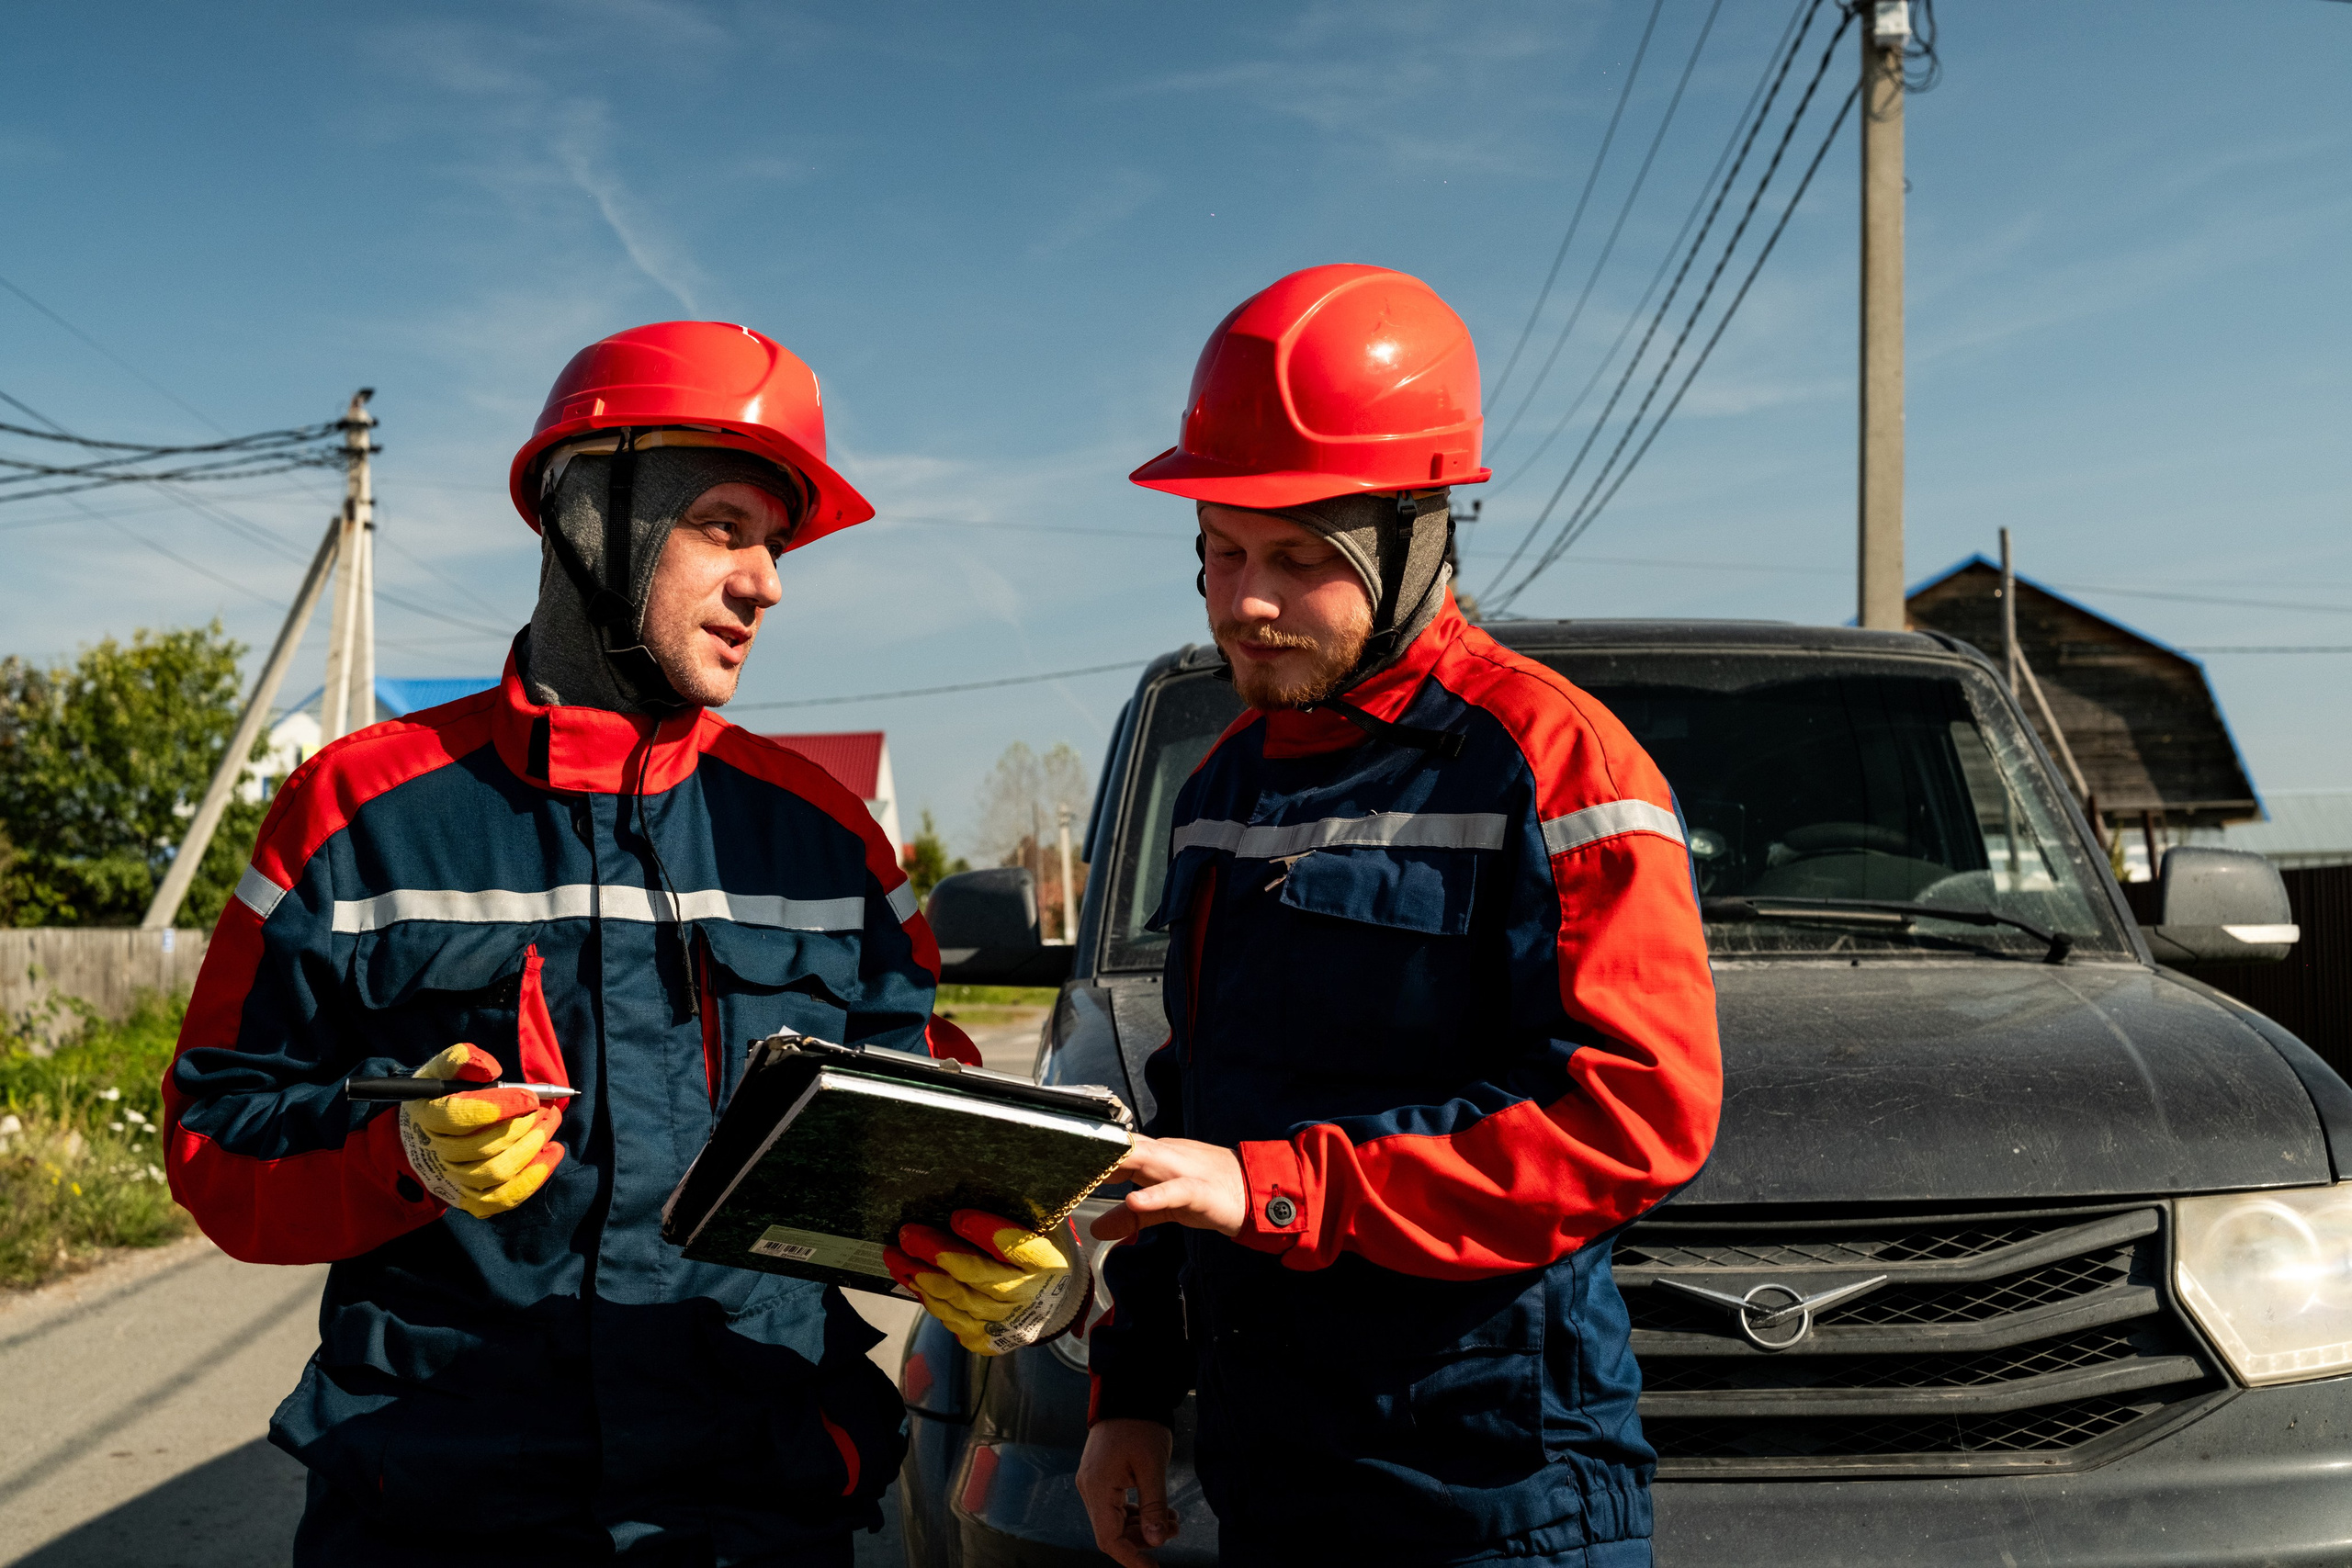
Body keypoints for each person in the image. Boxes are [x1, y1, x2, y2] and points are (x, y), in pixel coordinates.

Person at [163, 321, 980, 1566]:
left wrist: (1002, 1256)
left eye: (774, 542)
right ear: (587, 516)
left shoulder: (828, 844)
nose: (769, 582)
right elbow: (220, 1143)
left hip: (748, 1519)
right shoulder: (358, 818)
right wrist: (401, 1157)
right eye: (725, 527)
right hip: (445, 1518)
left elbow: (922, 1157)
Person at [1073, 265, 1723, 1567]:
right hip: (1271, 1476)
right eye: (1221, 550)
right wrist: (1131, 1389)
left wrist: (1279, 1191)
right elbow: (1188, 1114)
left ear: (1421, 537)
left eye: (1302, 559)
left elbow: (1634, 1116)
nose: (1247, 601)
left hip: (1492, 1490)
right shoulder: (1220, 790)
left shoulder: (1553, 763)